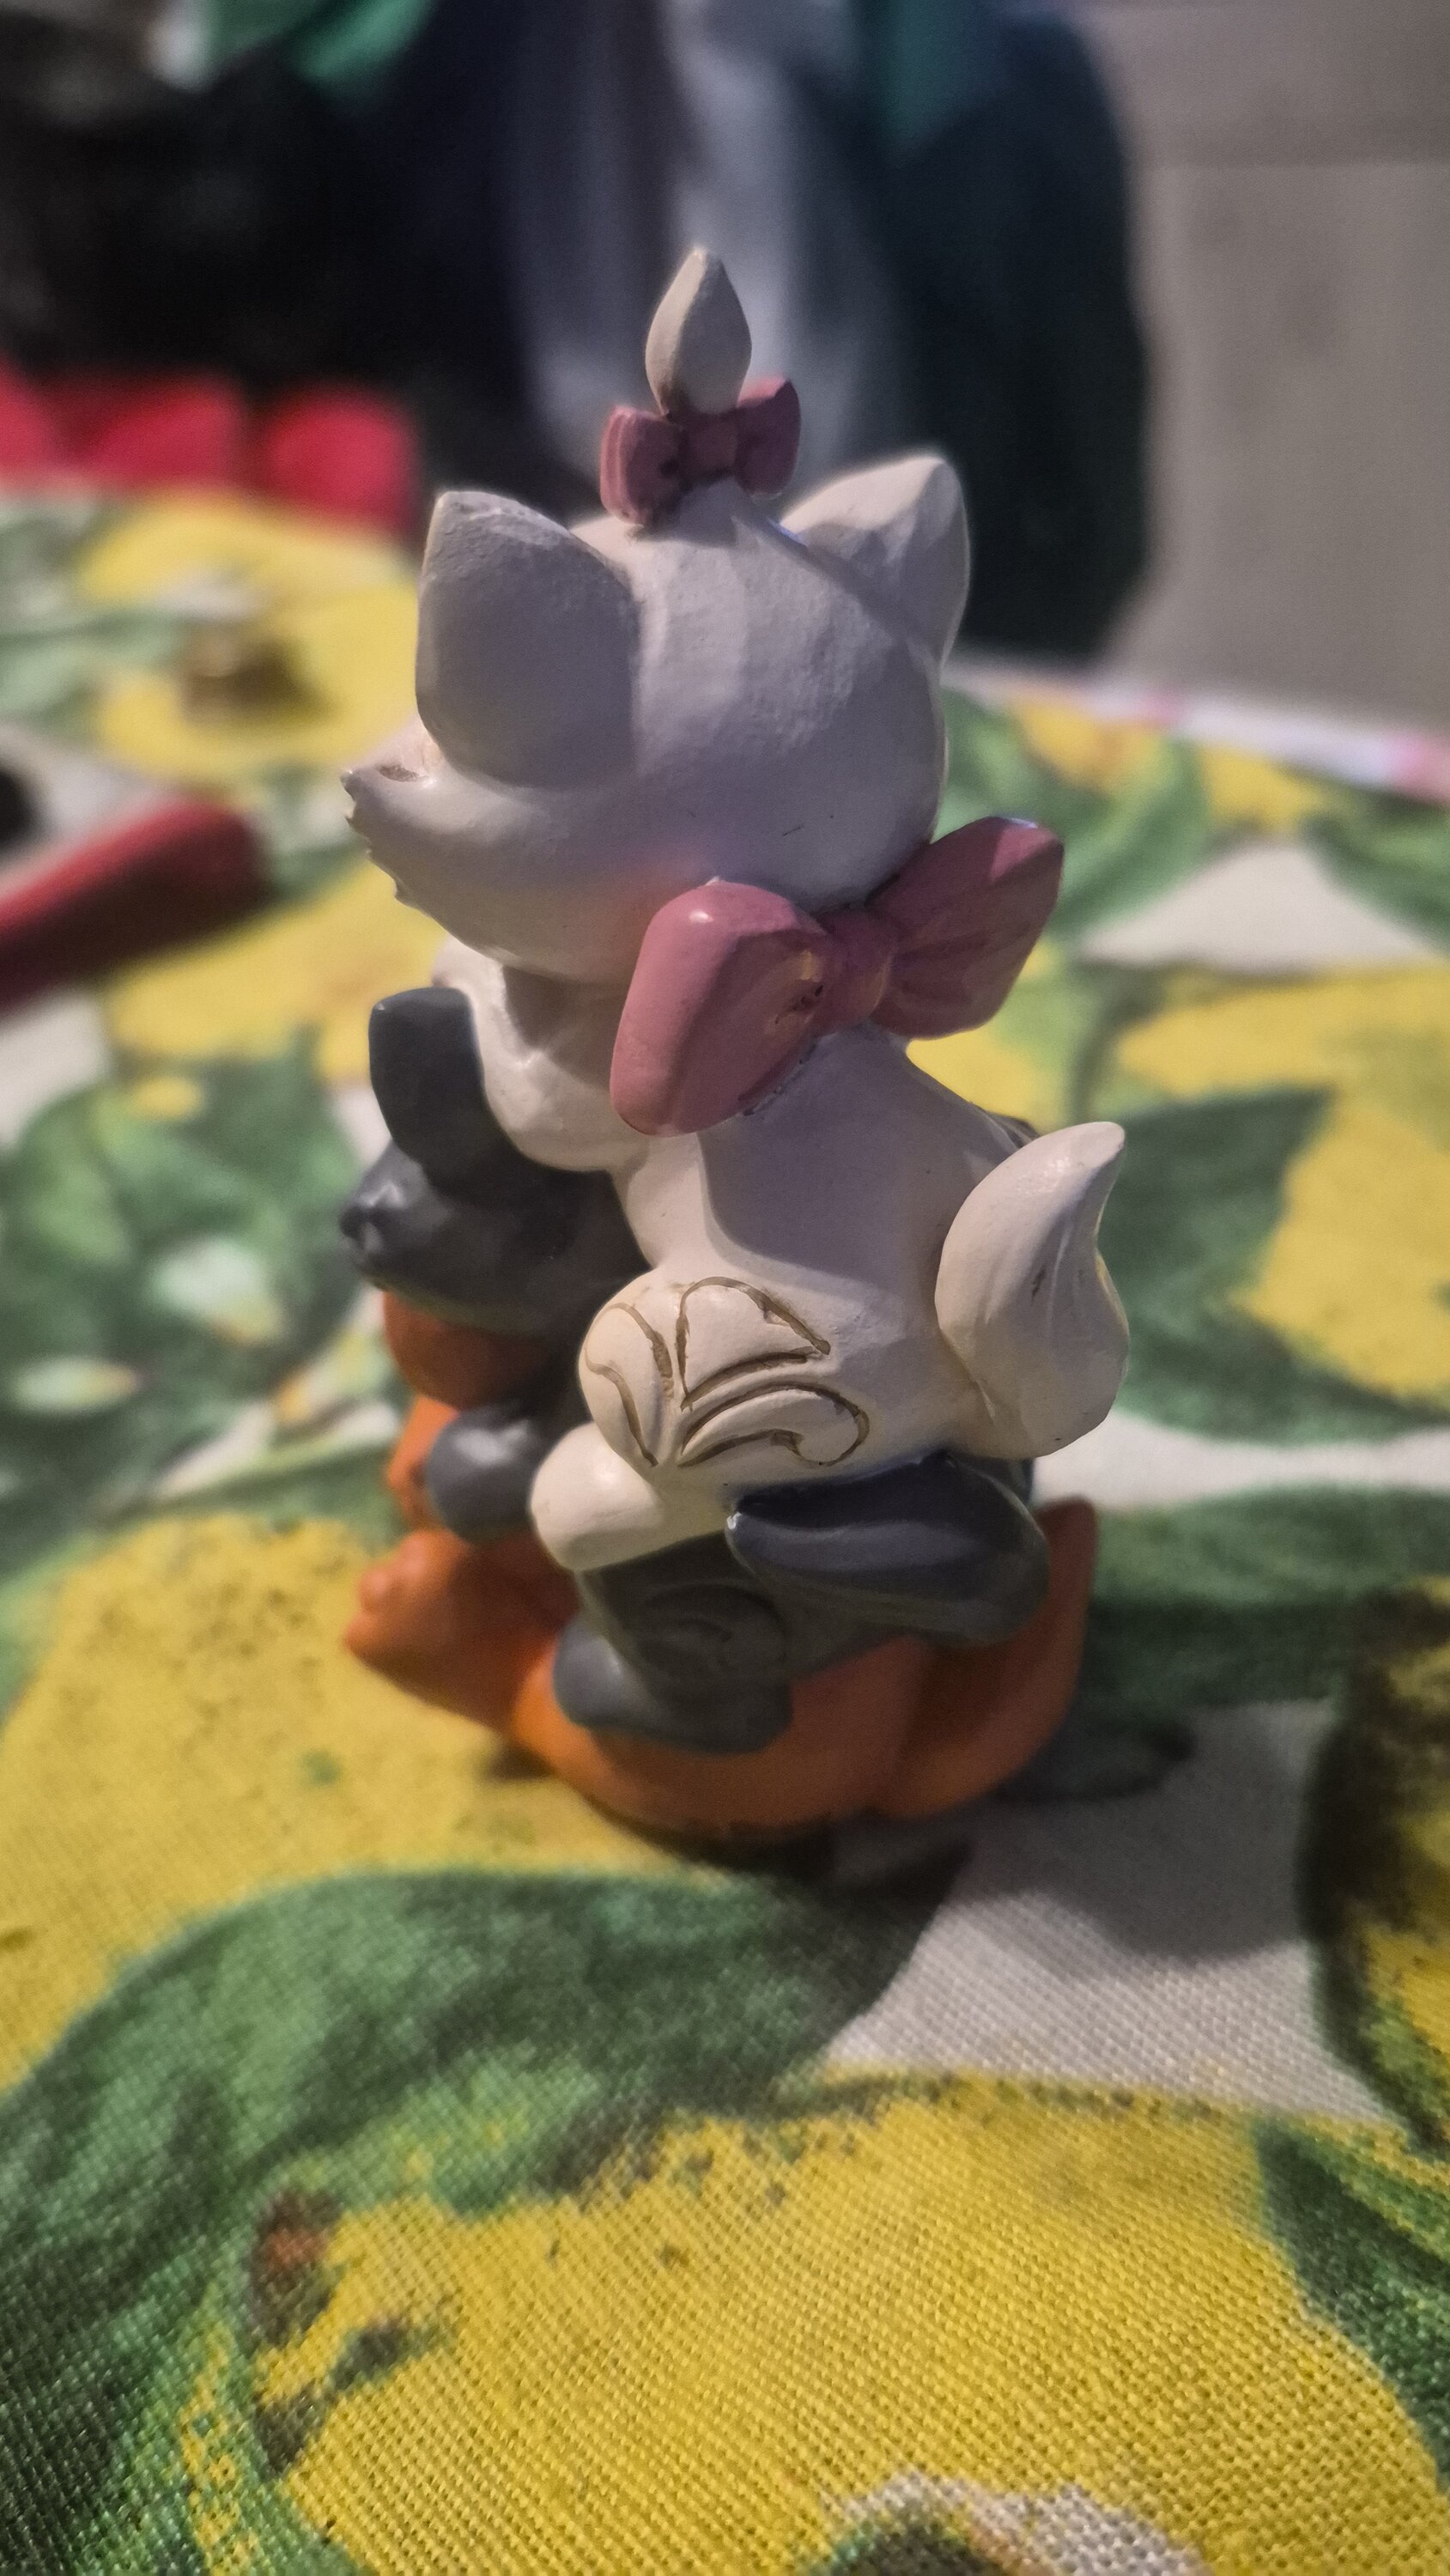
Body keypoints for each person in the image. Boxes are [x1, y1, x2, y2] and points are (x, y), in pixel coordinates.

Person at [0, 0, 1146, 651]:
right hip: (535, 627)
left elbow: (1079, 519)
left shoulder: (993, 79)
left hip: (889, 666)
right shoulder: (411, 57)